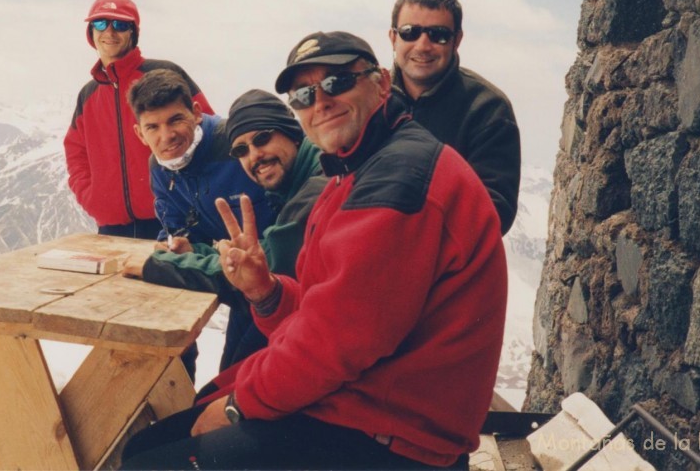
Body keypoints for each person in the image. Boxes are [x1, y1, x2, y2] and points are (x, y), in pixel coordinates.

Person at [122, 31, 507, 470]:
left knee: (147, 462)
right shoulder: (358, 168)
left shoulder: (397, 181)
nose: (320, 102)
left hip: (395, 435)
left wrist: (237, 405)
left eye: (339, 82)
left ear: (381, 83)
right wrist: (265, 291)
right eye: (304, 94)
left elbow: (335, 344)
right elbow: (333, 311)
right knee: (150, 445)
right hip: (370, 402)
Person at [134, 89, 326, 372]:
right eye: (241, 151)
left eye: (263, 138)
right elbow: (177, 223)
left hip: (298, 314)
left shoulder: (318, 184)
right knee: (228, 374)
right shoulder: (289, 178)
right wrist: (186, 248)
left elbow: (267, 263)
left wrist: (160, 265)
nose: (255, 156)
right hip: (266, 298)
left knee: (228, 387)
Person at [122, 69, 275, 379]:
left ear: (196, 113)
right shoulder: (160, 168)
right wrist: (182, 244)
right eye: (153, 127)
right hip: (230, 278)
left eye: (175, 120)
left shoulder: (239, 147)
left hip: (273, 285)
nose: (167, 137)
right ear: (139, 133)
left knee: (234, 378)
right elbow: (174, 226)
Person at [64, 0, 213, 239]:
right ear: (90, 32)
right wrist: (92, 198)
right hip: (111, 226)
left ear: (133, 33)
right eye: (100, 23)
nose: (110, 32)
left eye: (120, 25)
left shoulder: (162, 73)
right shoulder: (88, 94)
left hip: (174, 217)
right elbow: (75, 150)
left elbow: (206, 127)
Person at [389, 0, 521, 234]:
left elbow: (494, 210)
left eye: (438, 34)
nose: (423, 45)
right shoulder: (368, 99)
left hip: (445, 267)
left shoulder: (488, 108)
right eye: (410, 32)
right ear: (393, 37)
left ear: (457, 40)